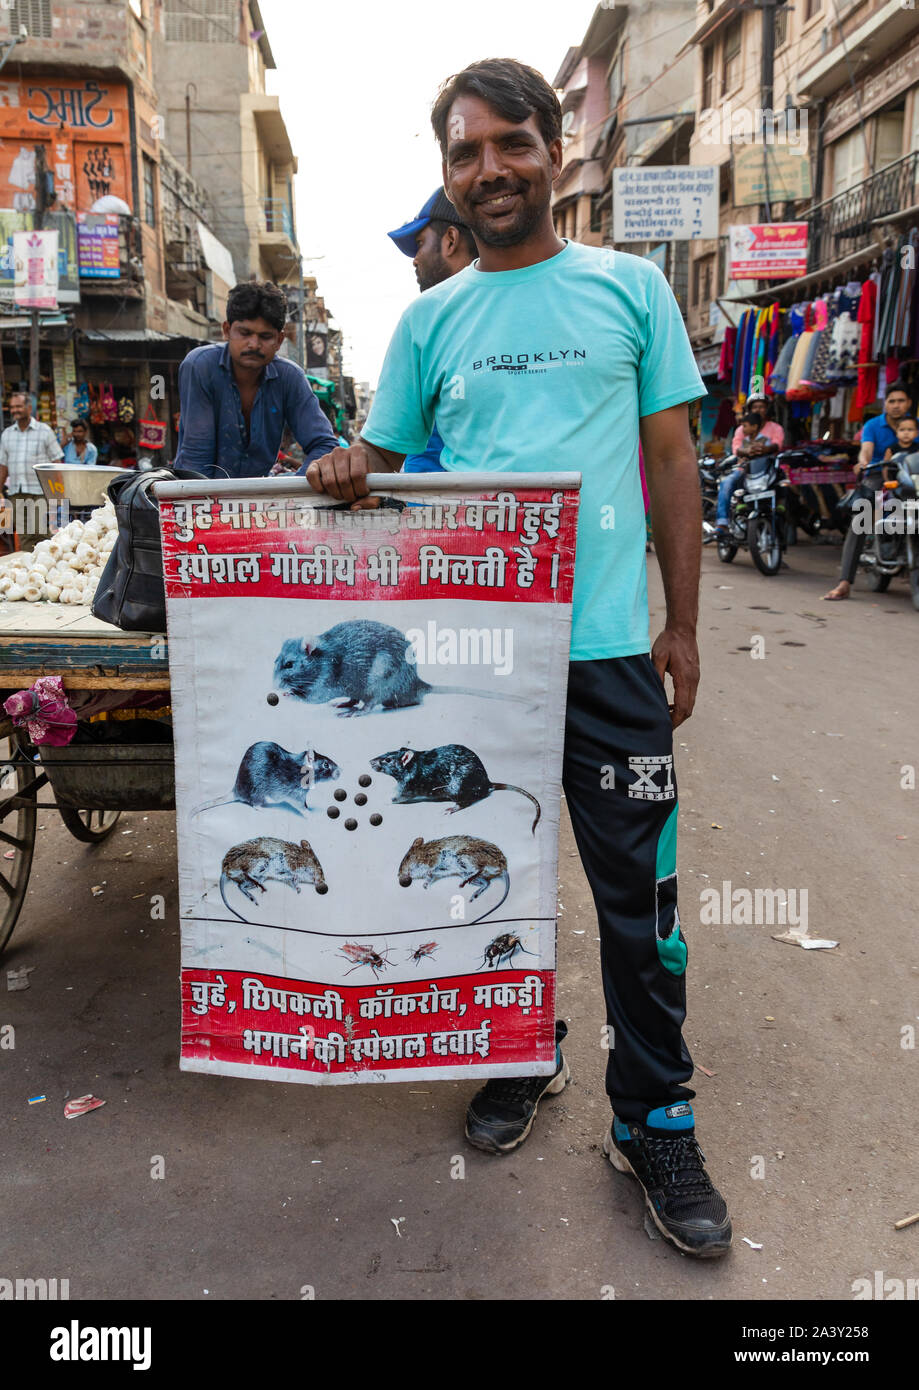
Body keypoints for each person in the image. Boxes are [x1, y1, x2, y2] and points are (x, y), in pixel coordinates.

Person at [307, 58, 731, 1258]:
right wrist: (349, 466)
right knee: (473, 870)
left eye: (509, 144)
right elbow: (381, 462)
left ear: (553, 153)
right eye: (463, 152)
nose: (488, 169)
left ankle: (654, 1118)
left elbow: (667, 466)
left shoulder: (630, 290)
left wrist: (682, 623)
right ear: (445, 176)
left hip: (604, 666)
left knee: (640, 904)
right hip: (471, 668)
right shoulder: (430, 320)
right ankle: (516, 1049)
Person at [174, 280, 336, 478]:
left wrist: (296, 487)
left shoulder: (289, 377)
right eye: (245, 333)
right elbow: (197, 458)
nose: (253, 344)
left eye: (265, 336)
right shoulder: (200, 365)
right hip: (199, 493)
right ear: (227, 331)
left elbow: (324, 445)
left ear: (279, 340)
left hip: (259, 496)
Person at [387, 187, 477, 471]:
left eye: (420, 243)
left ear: (450, 240)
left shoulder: (430, 324)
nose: (415, 258)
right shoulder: (426, 323)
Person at [824, 383, 914, 599]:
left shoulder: (914, 425)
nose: (896, 406)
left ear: (909, 403)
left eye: (901, 401)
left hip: (910, 477)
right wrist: (863, 463)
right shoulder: (873, 425)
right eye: (891, 401)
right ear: (885, 404)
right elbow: (866, 451)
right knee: (861, 519)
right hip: (878, 475)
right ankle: (844, 582)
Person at [0, 391, 63, 552]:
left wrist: (59, 492)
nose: (15, 410)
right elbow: (3, 467)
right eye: (12, 407)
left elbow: (57, 462)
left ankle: (47, 566)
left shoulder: (44, 431)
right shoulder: (7, 434)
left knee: (39, 533)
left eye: (19, 406)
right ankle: (31, 570)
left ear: (29, 408)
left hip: (39, 491)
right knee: (25, 535)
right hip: (16, 492)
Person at [716, 394, 784, 531]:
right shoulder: (742, 429)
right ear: (750, 409)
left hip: (768, 470)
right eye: (755, 407)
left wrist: (765, 449)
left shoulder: (775, 428)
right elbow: (736, 448)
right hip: (745, 469)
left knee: (784, 484)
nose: (758, 410)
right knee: (727, 483)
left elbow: (778, 445)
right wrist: (747, 451)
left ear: (767, 409)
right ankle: (722, 523)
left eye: (762, 407)